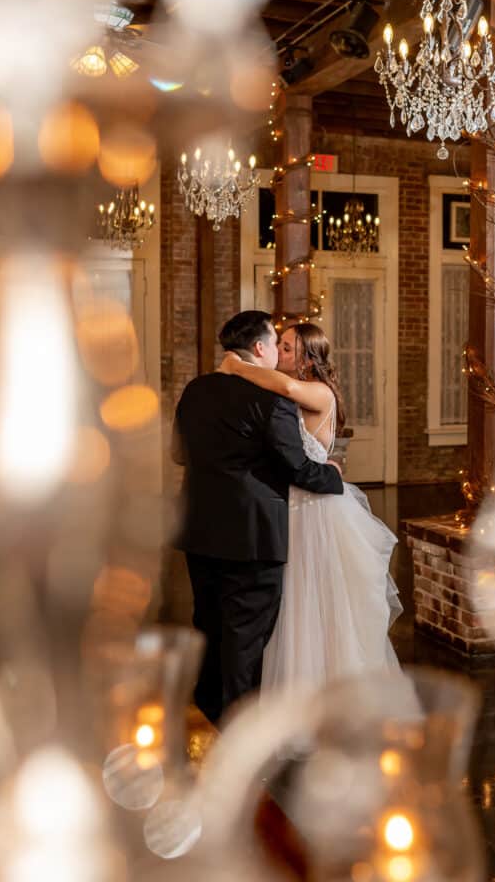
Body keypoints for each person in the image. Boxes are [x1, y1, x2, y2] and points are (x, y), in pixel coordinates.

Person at [171, 310, 343, 724]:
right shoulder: (272, 401)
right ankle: (239, 731)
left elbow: (178, 454)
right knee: (245, 638)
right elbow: (297, 468)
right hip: (253, 537)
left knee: (209, 625)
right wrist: (333, 478)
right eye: (275, 344)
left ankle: (210, 709)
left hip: (198, 531)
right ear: (261, 348)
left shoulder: (195, 390)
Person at [218, 322, 402, 693]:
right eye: (280, 345)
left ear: (305, 356)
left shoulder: (318, 392)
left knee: (314, 596)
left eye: (286, 347)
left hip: (315, 509)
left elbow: (284, 386)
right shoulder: (287, 396)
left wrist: (239, 367)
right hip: (291, 503)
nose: (278, 352)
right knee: (291, 600)